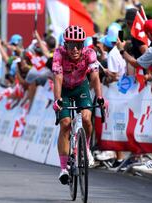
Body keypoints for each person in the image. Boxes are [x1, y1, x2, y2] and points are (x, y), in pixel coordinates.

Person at [52, 25, 105, 185]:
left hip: (81, 86)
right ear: (65, 44)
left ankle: (86, 147)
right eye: (71, 45)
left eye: (79, 45)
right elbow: (57, 78)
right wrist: (58, 99)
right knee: (65, 124)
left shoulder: (90, 53)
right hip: (65, 90)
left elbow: (95, 76)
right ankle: (63, 169)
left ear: (84, 45)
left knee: (87, 118)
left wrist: (100, 96)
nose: (75, 49)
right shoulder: (59, 53)